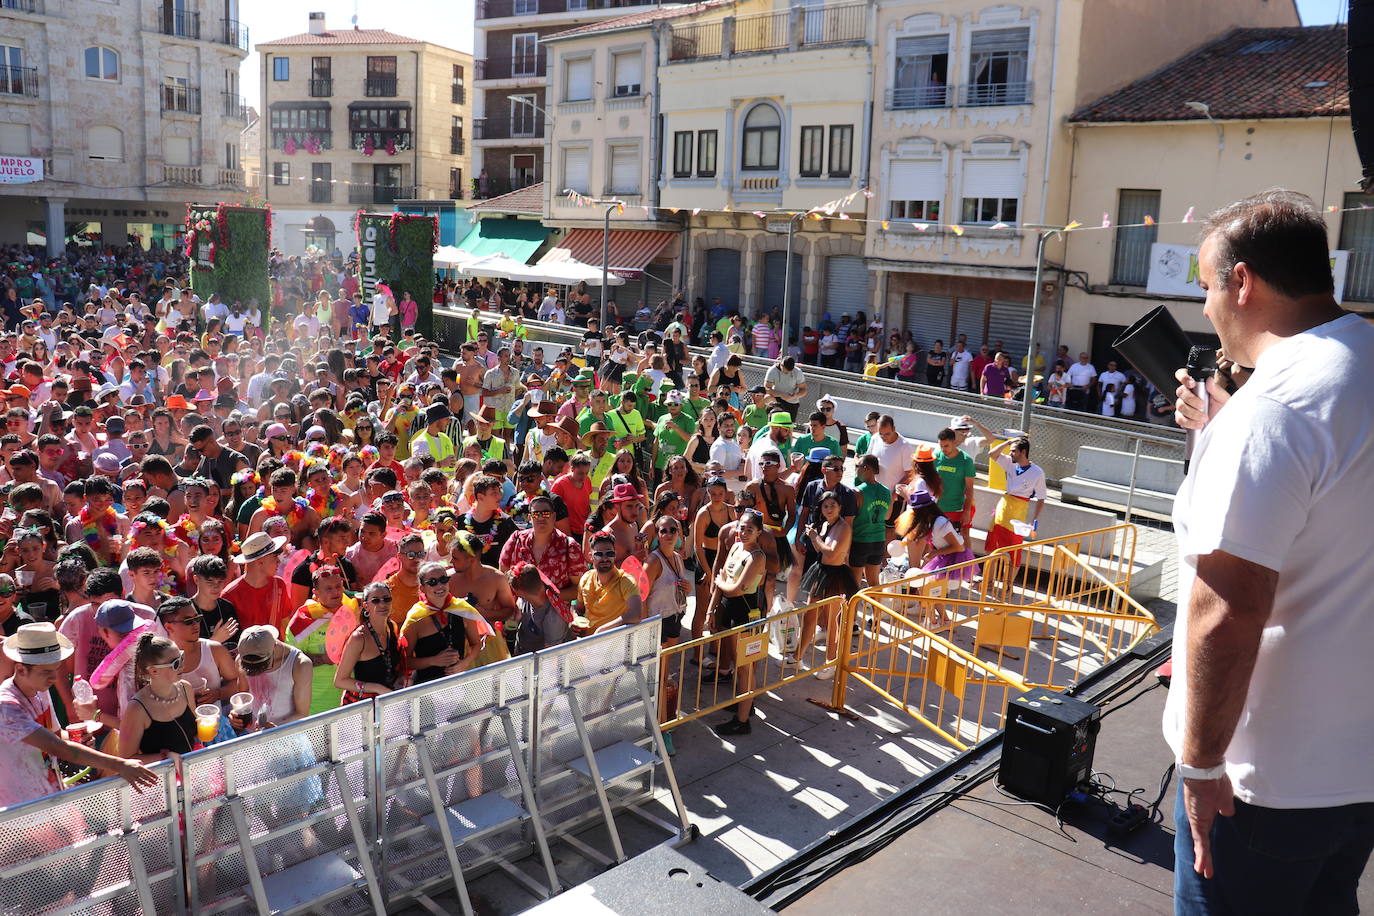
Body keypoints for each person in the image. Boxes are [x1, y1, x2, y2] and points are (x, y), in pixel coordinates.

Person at [1167, 190, 1374, 911]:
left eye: (1204, 287)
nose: (1203, 310)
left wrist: (1199, 768)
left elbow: (1226, 610)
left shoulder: (1274, 411)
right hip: (1358, 772)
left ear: (1243, 282)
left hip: (1262, 790)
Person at [0, 623, 159, 808]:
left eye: (56, 669)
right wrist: (120, 764)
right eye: (46, 672)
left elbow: (56, 736)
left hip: (48, 795)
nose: (53, 678)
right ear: (20, 670)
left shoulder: (39, 688)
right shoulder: (7, 706)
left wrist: (77, 739)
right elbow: (57, 747)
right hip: (18, 806)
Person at [710, 510, 767, 737]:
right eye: (741, 527)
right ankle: (744, 700)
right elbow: (723, 579)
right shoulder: (735, 547)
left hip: (745, 612)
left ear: (759, 532)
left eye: (749, 529)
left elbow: (736, 589)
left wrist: (719, 582)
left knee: (744, 666)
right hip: (729, 609)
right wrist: (711, 609)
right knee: (736, 659)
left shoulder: (757, 557)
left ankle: (743, 720)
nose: (743, 533)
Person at [400, 561, 487, 684]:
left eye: (443, 579)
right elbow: (405, 662)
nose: (439, 586)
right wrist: (434, 660)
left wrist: (463, 664)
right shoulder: (416, 618)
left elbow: (476, 644)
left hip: (457, 682)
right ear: (422, 588)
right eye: (432, 582)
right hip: (426, 686)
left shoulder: (461, 609)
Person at [117, 632, 198, 762]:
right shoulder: (137, 708)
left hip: (191, 769)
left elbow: (195, 731)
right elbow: (126, 759)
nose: (182, 665)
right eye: (176, 664)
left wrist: (209, 727)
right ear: (154, 671)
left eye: (182, 658)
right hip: (160, 778)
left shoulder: (185, 688)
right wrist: (166, 758)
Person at [984, 436, 1045, 598]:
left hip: (1018, 512)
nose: (1010, 453)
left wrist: (1034, 520)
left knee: (1014, 550)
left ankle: (1008, 586)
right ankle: (988, 582)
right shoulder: (1010, 463)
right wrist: (1009, 442)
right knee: (992, 547)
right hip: (1003, 508)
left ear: (1023, 452)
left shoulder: (1037, 473)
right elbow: (991, 454)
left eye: (1013, 451)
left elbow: (1041, 498)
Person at [334, 581, 403, 703]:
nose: (382, 604)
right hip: (365, 706)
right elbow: (340, 681)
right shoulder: (358, 638)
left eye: (387, 599)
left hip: (390, 701)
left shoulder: (391, 627)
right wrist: (377, 688)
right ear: (366, 606)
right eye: (376, 600)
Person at [233, 625, 312, 728]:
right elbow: (243, 696)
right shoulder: (240, 659)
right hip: (252, 735)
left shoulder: (300, 664)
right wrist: (236, 714)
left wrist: (275, 729)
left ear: (274, 646)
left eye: (263, 666)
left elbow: (302, 713)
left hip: (287, 735)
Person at [578, 532, 642, 633]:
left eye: (609, 554)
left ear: (615, 555)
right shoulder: (585, 578)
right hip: (588, 643)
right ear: (591, 556)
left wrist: (603, 630)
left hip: (615, 641)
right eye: (599, 554)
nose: (605, 558)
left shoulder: (626, 581)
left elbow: (636, 614)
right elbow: (578, 609)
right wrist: (576, 620)